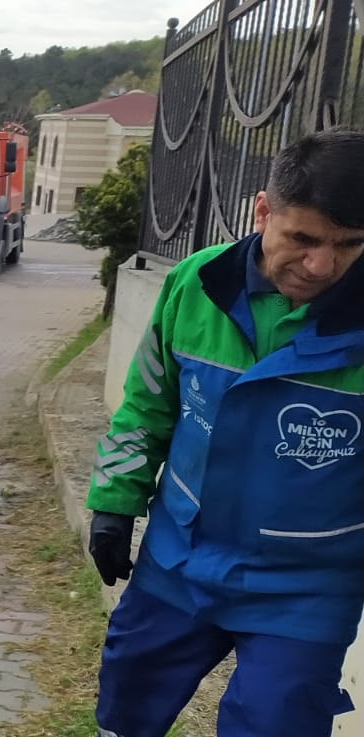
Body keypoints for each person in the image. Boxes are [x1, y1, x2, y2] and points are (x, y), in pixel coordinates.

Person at [86, 128, 364, 737]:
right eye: (303, 238)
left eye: (349, 245)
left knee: (276, 720)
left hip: (308, 585)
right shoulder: (195, 284)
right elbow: (146, 407)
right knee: (126, 704)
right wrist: (114, 502)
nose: (322, 265)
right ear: (262, 210)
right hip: (178, 558)